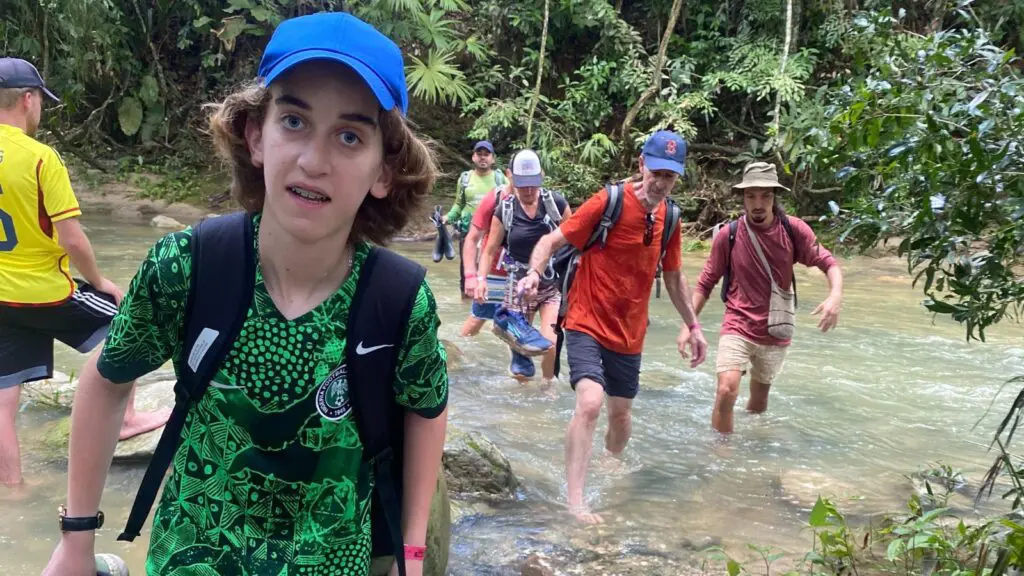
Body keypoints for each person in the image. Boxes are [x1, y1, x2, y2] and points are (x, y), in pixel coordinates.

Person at [42, 12, 448, 576]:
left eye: (350, 136)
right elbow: (108, 381)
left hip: (333, 561)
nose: (314, 160)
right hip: (191, 557)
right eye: (294, 122)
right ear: (257, 136)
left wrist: (412, 552)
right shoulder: (188, 266)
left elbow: (425, 411)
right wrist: (77, 538)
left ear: (384, 169)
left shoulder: (400, 303)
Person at [517, 130, 708, 523]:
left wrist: (694, 325)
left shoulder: (670, 218)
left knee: (620, 418)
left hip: (631, 331)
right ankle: (576, 501)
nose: (660, 182)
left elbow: (673, 277)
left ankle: (608, 461)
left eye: (669, 177)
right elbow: (552, 241)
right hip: (587, 319)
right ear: (641, 164)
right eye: (655, 172)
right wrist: (534, 273)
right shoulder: (610, 201)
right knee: (590, 403)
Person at [0, 57, 169, 488]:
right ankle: (126, 419)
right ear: (28, 99)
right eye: (41, 102)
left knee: (3, 399)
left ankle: (14, 488)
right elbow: (72, 239)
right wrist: (100, 282)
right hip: (45, 292)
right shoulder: (40, 158)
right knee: (125, 320)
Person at [693, 161, 842, 435]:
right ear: (743, 199)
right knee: (726, 390)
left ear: (775, 197)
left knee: (759, 404)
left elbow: (828, 262)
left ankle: (751, 449)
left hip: (776, 328)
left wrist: (834, 296)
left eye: (765, 196)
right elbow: (706, 282)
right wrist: (689, 325)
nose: (758, 203)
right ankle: (720, 456)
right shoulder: (729, 235)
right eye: (751, 196)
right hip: (737, 324)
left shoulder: (793, 230)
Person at [477, 149, 569, 385]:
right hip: (518, 290)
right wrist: (480, 281)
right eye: (522, 185)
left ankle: (548, 387)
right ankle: (521, 394)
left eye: (533, 185)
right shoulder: (504, 210)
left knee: (551, 342)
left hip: (551, 286)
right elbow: (488, 250)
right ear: (511, 179)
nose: (528, 191)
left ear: (541, 177)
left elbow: (575, 238)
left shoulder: (555, 203)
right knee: (522, 365)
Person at [458, 157, 537, 378]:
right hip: (492, 271)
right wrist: (472, 277)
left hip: (522, 273)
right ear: (508, 174)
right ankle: (456, 358)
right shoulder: (495, 199)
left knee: (521, 326)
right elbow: (472, 239)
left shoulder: (539, 200)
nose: (525, 185)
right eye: (519, 177)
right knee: (477, 319)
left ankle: (520, 377)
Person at [445, 140, 506, 296]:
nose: (483, 158)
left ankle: (487, 300)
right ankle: (466, 302)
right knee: (466, 274)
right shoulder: (465, 179)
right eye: (479, 154)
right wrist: (448, 218)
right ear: (473, 157)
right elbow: (459, 204)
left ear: (493, 159)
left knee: (489, 273)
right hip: (468, 232)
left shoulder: (500, 179)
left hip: (493, 233)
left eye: (486, 155)